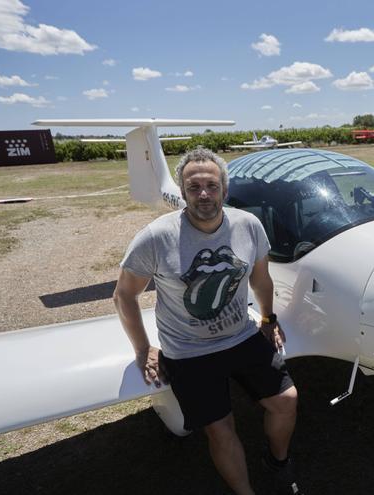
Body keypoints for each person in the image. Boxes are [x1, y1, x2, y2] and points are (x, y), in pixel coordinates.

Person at [114, 148, 301, 495]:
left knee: (286, 400)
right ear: (183, 192)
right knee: (220, 428)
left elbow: (261, 279)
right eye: (194, 186)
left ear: (224, 191)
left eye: (212, 186)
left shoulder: (248, 226)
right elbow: (123, 294)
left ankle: (278, 462)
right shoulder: (155, 237)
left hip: (241, 336)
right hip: (188, 351)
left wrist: (268, 317)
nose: (204, 194)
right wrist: (143, 350)